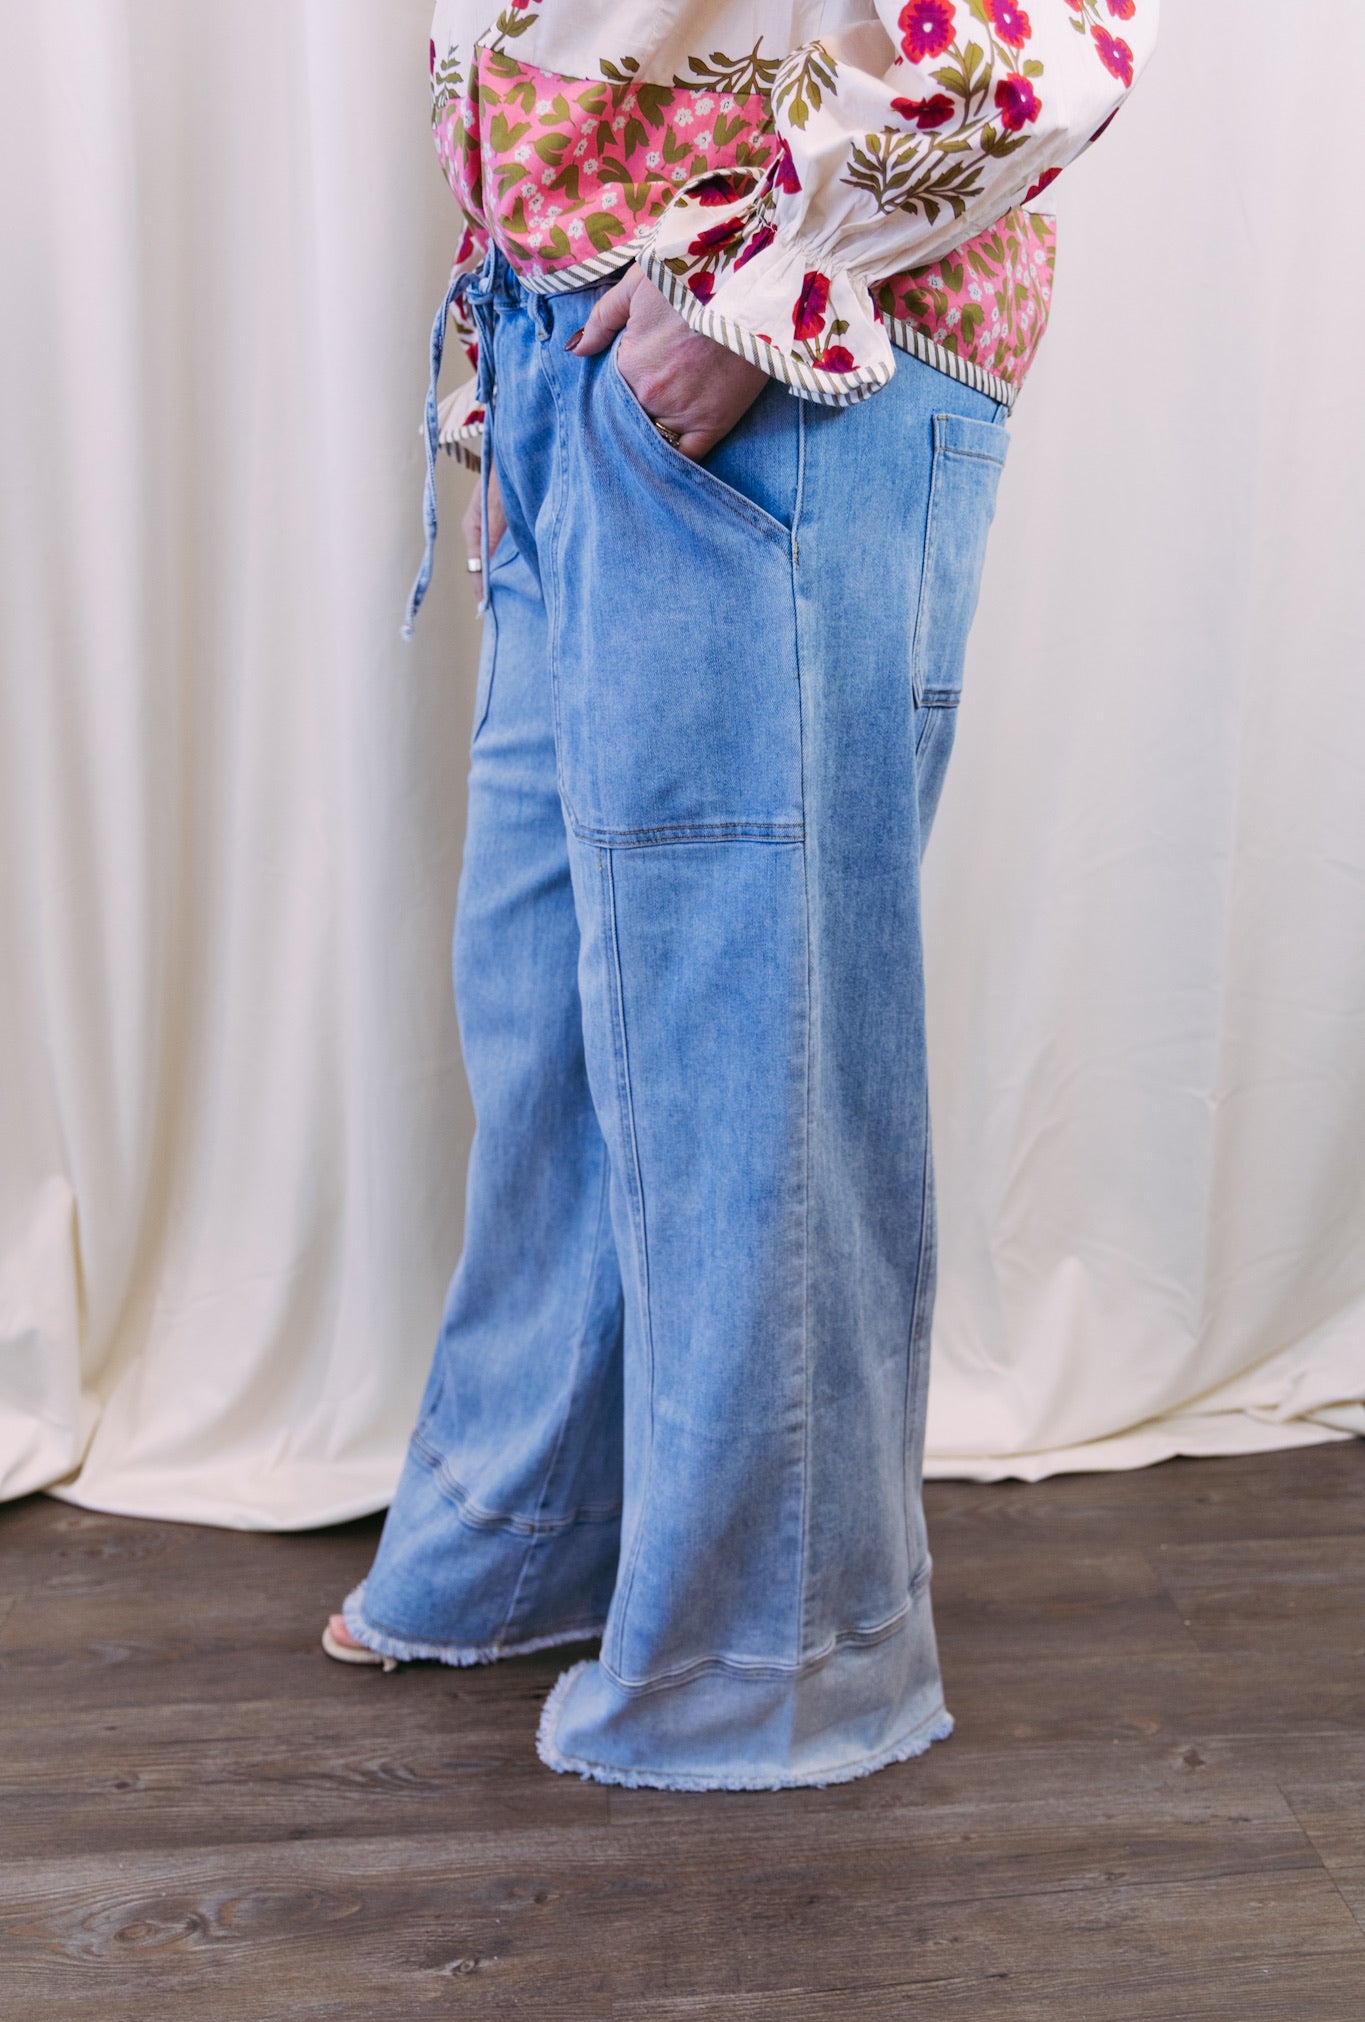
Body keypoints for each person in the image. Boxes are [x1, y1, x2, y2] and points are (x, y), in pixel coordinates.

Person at [322, 0, 1158, 1790]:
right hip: (582, 345)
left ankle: (779, 1648)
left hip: (773, 347)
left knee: (742, 1021)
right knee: (551, 1001)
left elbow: (1054, 33)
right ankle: (536, 1524)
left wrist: (758, 282)